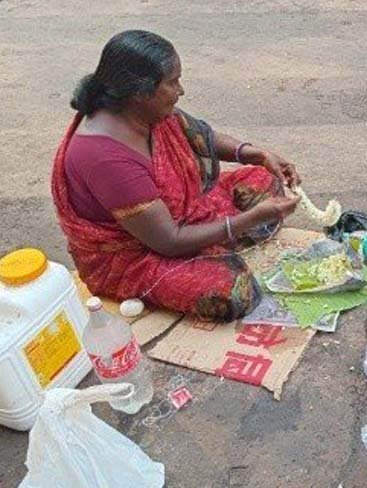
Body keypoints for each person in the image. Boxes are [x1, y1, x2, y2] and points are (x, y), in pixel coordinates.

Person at [52, 30, 301, 321]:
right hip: (135, 253)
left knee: (264, 181)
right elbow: (168, 240)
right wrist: (251, 219)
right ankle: (223, 243)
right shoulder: (104, 158)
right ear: (140, 92)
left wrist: (257, 154)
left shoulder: (141, 110)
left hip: (177, 211)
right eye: (172, 83)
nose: (180, 91)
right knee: (235, 290)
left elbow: (201, 137)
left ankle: (221, 241)